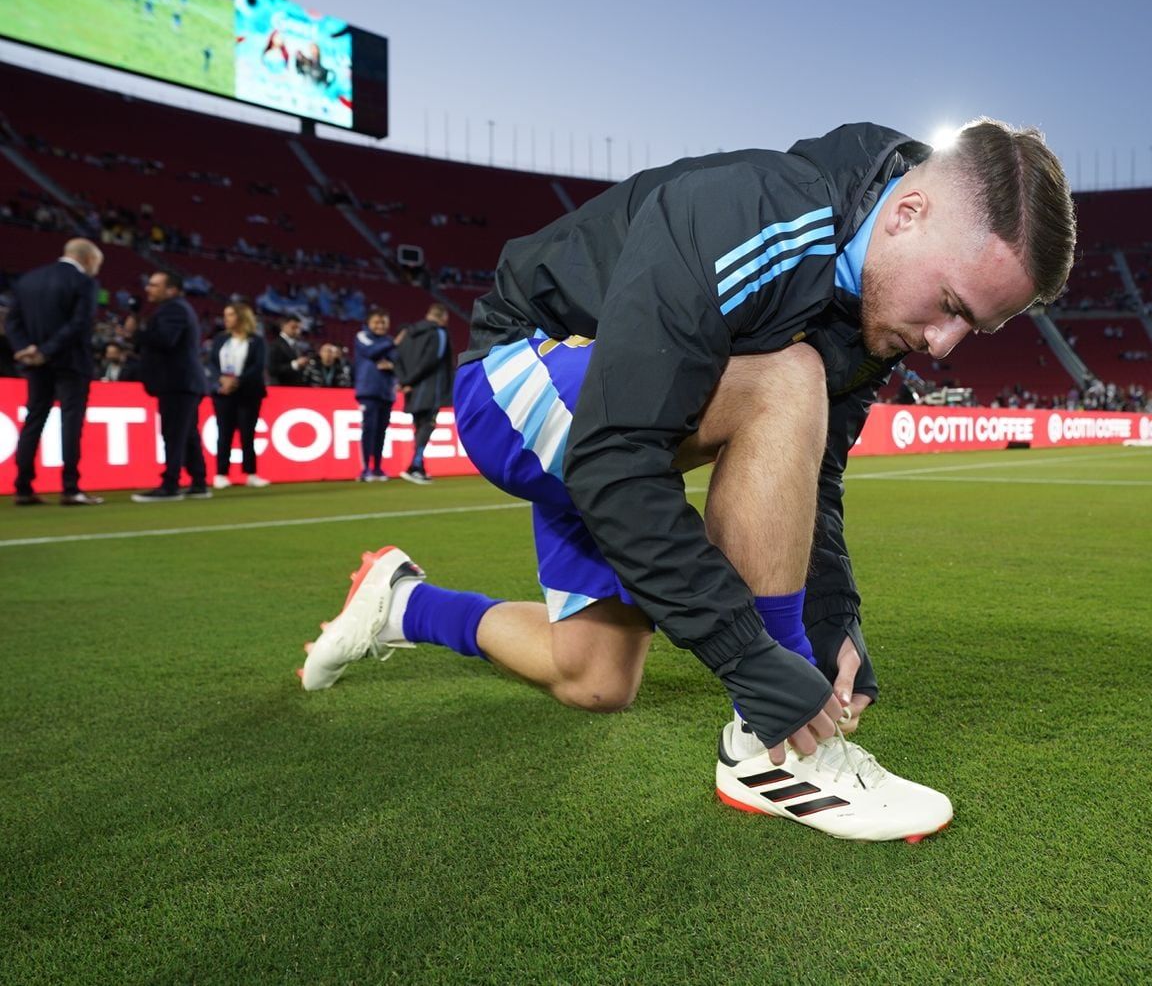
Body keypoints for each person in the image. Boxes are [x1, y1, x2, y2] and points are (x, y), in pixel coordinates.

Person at [300, 120, 1075, 842]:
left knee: (596, 678)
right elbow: (615, 457)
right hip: (521, 381)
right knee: (786, 379)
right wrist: (755, 660)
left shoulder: (878, 301)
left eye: (974, 328)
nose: (944, 345)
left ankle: (401, 603)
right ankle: (773, 754)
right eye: (949, 307)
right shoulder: (754, 214)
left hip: (620, 415)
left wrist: (836, 617)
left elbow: (816, 476)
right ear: (907, 212)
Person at [6, 238, 106, 506]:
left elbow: (12, 320)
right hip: (71, 362)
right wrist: (46, 350)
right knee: (71, 423)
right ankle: (70, 488)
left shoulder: (28, 280)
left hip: (34, 363)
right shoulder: (84, 282)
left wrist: (25, 349)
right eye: (97, 264)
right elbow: (79, 324)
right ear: (87, 259)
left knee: (34, 418)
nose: (96, 269)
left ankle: (23, 488)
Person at [129, 270, 210, 502]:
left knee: (174, 433)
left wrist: (138, 333)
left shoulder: (173, 309)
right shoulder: (179, 308)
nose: (148, 289)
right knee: (187, 433)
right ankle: (198, 482)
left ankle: (171, 484)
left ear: (171, 289)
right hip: (184, 381)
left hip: (177, 381)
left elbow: (166, 340)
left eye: (154, 285)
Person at [208, 301, 269, 490]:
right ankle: (221, 473)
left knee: (247, 433)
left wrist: (236, 381)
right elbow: (211, 363)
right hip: (223, 393)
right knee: (224, 433)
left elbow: (257, 367)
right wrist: (221, 379)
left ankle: (250, 473)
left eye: (230, 315)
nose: (226, 319)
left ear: (241, 317)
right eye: (225, 315)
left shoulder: (256, 341)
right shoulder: (220, 339)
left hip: (248, 393)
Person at [392, 303, 454, 484]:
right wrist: (409, 380)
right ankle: (415, 467)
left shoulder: (408, 334)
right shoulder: (439, 333)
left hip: (412, 388)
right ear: (443, 317)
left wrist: (404, 381)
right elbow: (431, 360)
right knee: (427, 425)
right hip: (431, 387)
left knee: (419, 426)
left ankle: (418, 466)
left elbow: (396, 357)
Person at [351, 307, 396, 481]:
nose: (380, 325)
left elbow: (396, 360)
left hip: (386, 392)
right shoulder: (362, 336)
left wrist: (391, 365)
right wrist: (392, 345)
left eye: (384, 322)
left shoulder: (389, 341)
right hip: (368, 391)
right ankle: (365, 470)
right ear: (369, 323)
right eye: (377, 322)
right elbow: (371, 352)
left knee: (381, 432)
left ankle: (377, 468)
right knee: (368, 430)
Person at [267, 314, 311, 386]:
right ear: (283, 326)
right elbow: (272, 370)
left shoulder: (295, 344)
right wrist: (295, 364)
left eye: (299, 328)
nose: (297, 331)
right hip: (281, 389)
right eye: (294, 327)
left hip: (294, 389)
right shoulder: (275, 345)